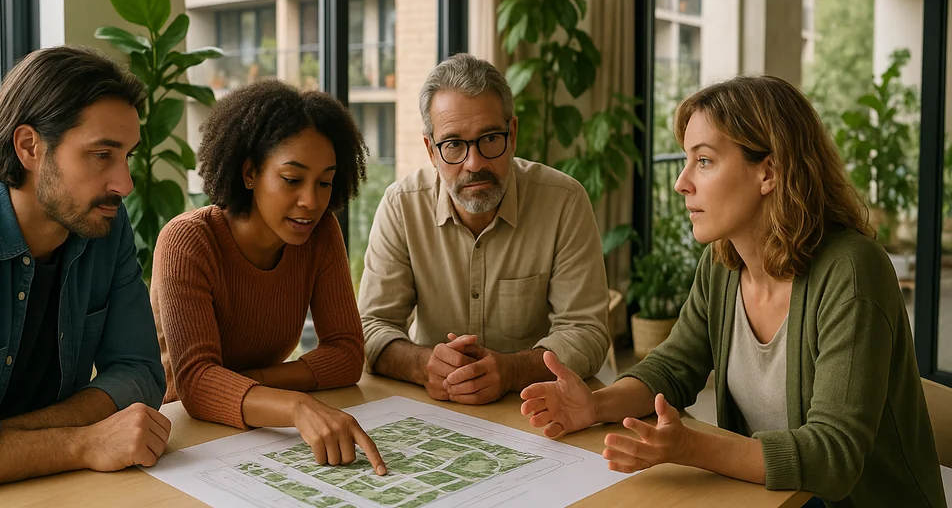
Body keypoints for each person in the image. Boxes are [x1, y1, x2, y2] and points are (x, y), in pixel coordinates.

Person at [520, 75, 946, 506]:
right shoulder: (724, 262)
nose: (681, 182)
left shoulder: (852, 271)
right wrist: (594, 405)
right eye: (687, 160)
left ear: (769, 171)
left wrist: (692, 447)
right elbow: (673, 368)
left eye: (703, 161)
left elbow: (833, 456)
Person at [0, 46, 169, 493]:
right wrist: (81, 444)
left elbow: (141, 371)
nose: (125, 184)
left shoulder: (104, 225)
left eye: (128, 157)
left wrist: (16, 439)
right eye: (102, 155)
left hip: (48, 490)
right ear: (29, 147)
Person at [151, 80, 385, 475]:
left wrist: (254, 385)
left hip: (254, 429)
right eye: (292, 180)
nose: (311, 202)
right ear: (249, 173)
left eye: (324, 182)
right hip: (179, 436)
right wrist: (293, 404)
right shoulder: (187, 242)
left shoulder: (320, 233)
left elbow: (346, 355)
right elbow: (196, 385)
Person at [359, 53, 610, 406]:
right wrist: (422, 365)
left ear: (513, 133)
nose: (474, 163)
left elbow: (587, 331)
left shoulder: (564, 202)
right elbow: (370, 327)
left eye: (490, 139)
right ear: (431, 151)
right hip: (433, 407)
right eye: (453, 145)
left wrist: (511, 371)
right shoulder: (402, 206)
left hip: (532, 405)